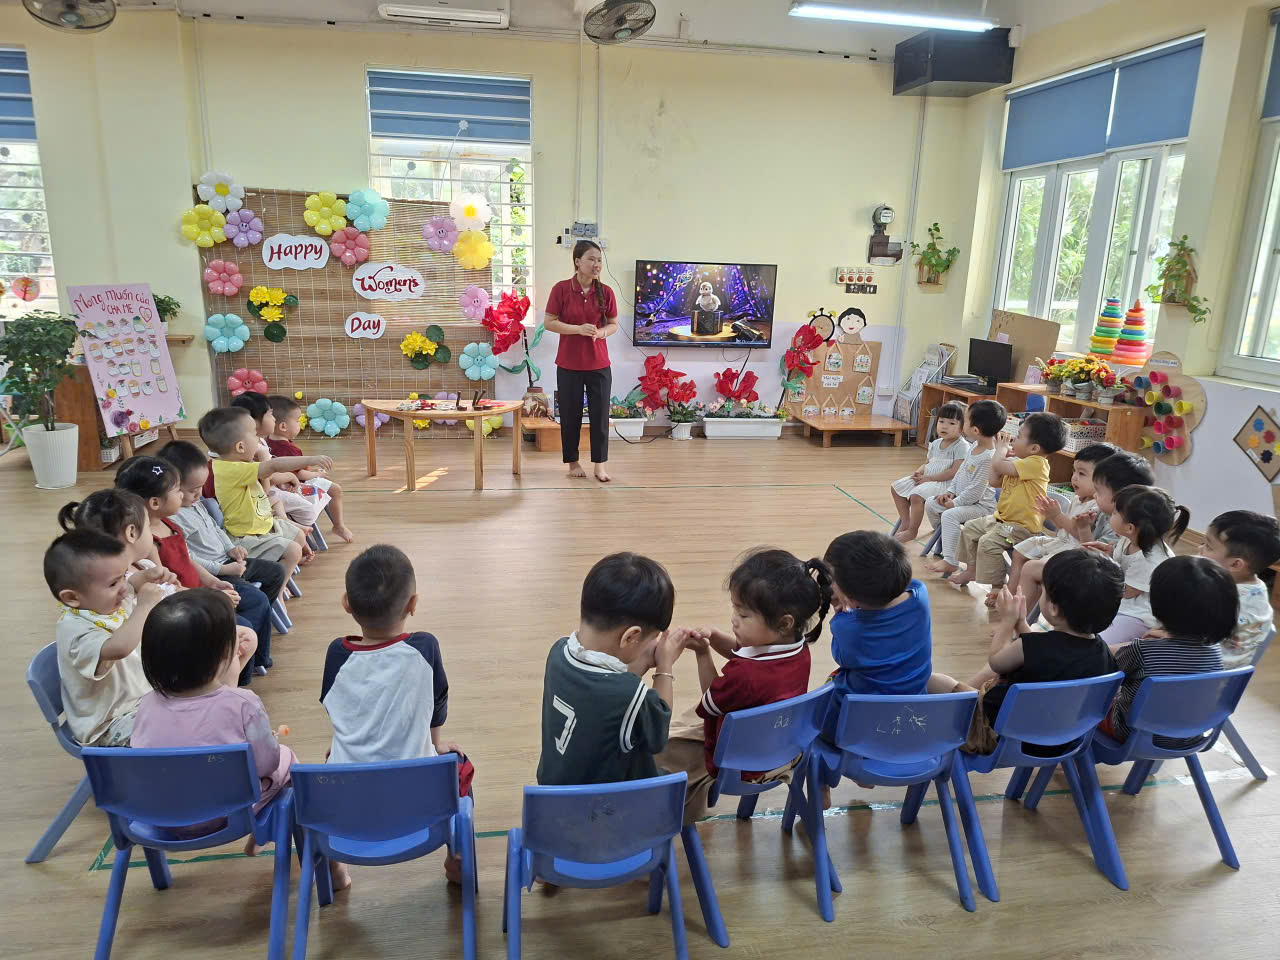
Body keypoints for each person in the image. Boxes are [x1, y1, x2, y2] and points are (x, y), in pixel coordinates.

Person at [320, 544, 466, 887]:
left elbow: (337, 706)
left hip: (349, 803)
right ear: (413, 604)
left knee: (330, 760)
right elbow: (437, 703)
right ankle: (457, 858)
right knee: (462, 768)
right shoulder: (424, 647)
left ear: (346, 603)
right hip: (419, 802)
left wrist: (344, 743)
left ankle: (335, 869)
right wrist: (435, 745)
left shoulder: (337, 654)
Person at [656, 549, 833, 823]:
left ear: (784, 623)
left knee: (657, 749)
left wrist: (703, 653)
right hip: (782, 747)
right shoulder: (797, 647)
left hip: (738, 765)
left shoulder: (746, 675)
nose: (734, 619)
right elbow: (744, 655)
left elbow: (711, 701)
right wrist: (715, 637)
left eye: (743, 614)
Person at [132, 589, 288, 852]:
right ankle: (264, 834)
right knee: (288, 759)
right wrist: (269, 743)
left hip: (163, 815)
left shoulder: (146, 704)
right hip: (227, 816)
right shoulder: (244, 703)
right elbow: (267, 764)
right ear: (226, 654)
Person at [931, 550, 1121, 747]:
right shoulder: (1103, 653)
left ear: (1053, 608)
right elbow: (1042, 651)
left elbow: (996, 662)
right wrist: (1021, 623)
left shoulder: (1029, 647)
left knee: (935, 681)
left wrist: (1007, 622)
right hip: (1062, 738)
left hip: (999, 735)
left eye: (1044, 591)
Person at [115, 455, 273, 686]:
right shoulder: (148, 544)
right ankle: (227, 679)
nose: (182, 495)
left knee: (256, 603)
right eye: (177, 490)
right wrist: (212, 596)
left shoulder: (168, 522)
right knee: (241, 627)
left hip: (198, 592)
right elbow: (170, 592)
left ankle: (241, 669)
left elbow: (187, 560)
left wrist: (212, 583)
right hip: (187, 605)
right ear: (155, 502)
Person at [537, 552, 683, 786]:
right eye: (651, 638)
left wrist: (643, 660)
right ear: (631, 637)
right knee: (674, 777)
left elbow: (600, 695)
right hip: (608, 802)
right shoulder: (630, 694)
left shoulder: (558, 651)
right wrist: (664, 664)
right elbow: (658, 734)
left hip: (554, 792)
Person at [158, 439, 287, 673]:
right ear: (172, 488)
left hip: (227, 562)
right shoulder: (173, 516)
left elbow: (217, 529)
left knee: (275, 572)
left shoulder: (195, 504)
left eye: (201, 487)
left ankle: (255, 630)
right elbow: (189, 557)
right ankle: (249, 660)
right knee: (256, 600)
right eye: (192, 490)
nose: (199, 494)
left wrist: (231, 549)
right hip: (217, 571)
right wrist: (223, 570)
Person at [44, 529, 167, 746]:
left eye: (123, 576)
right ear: (72, 597)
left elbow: (131, 585)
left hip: (141, 701)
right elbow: (119, 648)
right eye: (113, 583)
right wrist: (145, 606)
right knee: (179, 729)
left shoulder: (103, 601)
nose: (123, 589)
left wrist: (146, 577)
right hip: (109, 725)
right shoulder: (76, 631)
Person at [1102, 556, 1234, 748]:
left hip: (1135, 737)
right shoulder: (1215, 651)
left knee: (1092, 700)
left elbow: (1101, 657)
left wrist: (1132, 644)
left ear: (1158, 605)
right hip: (1191, 736)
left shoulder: (1142, 651)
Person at [1015, 449, 1151, 617]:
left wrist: (1081, 528)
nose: (1095, 495)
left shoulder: (1120, 525)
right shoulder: (1116, 517)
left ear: (1120, 495)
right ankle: (1018, 615)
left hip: (1095, 577)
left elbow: (1096, 560)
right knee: (1029, 562)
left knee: (1032, 568)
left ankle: (1019, 620)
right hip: (1091, 566)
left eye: (1099, 492)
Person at [821, 531, 931, 737]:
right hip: (910, 714)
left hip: (855, 723)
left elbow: (843, 659)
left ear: (852, 599)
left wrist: (841, 612)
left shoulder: (847, 626)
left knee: (822, 704)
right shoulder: (920, 596)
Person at [947, 412, 1068, 597]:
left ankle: (997, 585)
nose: (1013, 440)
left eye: (1018, 436)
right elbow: (994, 481)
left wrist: (1000, 451)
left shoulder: (1037, 464)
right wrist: (1000, 457)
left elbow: (998, 466)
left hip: (1021, 527)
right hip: (1002, 520)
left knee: (988, 543)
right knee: (970, 528)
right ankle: (972, 570)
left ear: (1034, 448)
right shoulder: (1020, 463)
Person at [197, 407, 330, 572]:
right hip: (246, 537)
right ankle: (278, 584)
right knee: (293, 550)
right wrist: (311, 459)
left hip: (262, 525)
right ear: (240, 447)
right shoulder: (230, 470)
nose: (259, 440)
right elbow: (274, 465)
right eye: (255, 435)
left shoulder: (238, 463)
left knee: (299, 536)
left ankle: (286, 563)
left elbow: (266, 486)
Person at [543, 239, 619, 483]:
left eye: (599, 260)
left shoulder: (606, 292)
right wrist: (577, 329)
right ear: (577, 261)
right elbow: (549, 322)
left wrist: (601, 332)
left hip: (599, 364)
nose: (597, 264)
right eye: (591, 259)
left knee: (600, 417)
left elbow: (613, 324)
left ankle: (600, 466)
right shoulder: (561, 289)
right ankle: (573, 463)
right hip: (568, 364)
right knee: (570, 415)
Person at [1008, 442, 1114, 611]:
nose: (1074, 477)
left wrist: (1057, 515)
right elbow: (1063, 529)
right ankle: (1010, 597)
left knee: (1033, 568)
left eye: (1082, 473)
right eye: (1074, 471)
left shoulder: (1097, 506)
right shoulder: (1077, 498)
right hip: (1059, 542)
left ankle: (1020, 613)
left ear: (1103, 481)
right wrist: (1051, 515)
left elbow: (1080, 535)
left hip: (1075, 550)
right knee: (1019, 552)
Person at [1085, 485, 1190, 646]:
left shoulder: (1150, 558)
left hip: (1138, 616)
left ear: (1130, 527)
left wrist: (1105, 564)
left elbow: (1125, 592)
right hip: (1121, 603)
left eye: (1115, 513)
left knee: (1099, 642)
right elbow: (1120, 568)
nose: (1111, 515)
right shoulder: (1129, 539)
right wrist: (1110, 555)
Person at [925, 399, 1006, 576]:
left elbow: (976, 491)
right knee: (931, 503)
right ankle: (948, 538)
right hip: (962, 500)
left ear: (975, 430)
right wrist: (950, 492)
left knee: (950, 515)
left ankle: (951, 560)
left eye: (966, 420)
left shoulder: (988, 457)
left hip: (981, 507)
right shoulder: (974, 445)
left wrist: (955, 503)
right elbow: (961, 472)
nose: (963, 423)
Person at [231, 392, 331, 532]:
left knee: (288, 501)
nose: (274, 419)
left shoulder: (260, 441)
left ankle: (286, 522)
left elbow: (275, 466)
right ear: (253, 421)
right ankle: (288, 526)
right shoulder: (253, 448)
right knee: (307, 510)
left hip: (271, 489)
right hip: (263, 494)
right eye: (270, 414)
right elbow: (268, 478)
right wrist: (290, 476)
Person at [1196, 510, 1279, 668]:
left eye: (1208, 546)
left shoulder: (1218, 600)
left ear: (1235, 564)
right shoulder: (1258, 588)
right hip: (1229, 677)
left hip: (1196, 672)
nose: (1200, 548)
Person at [266, 394, 353, 542]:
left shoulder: (267, 441)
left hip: (280, 485)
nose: (300, 423)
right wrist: (317, 474)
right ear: (283, 426)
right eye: (297, 420)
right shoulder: (289, 449)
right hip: (293, 485)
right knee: (335, 489)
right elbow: (301, 475)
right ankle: (339, 525)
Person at [891, 401, 970, 543]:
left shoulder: (961, 446)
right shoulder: (935, 444)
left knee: (916, 495)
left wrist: (928, 478)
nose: (944, 426)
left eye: (952, 423)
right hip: (928, 479)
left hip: (946, 485)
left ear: (963, 427)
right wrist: (918, 472)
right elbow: (928, 463)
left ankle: (912, 530)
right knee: (897, 487)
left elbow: (953, 472)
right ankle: (906, 521)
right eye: (941, 421)